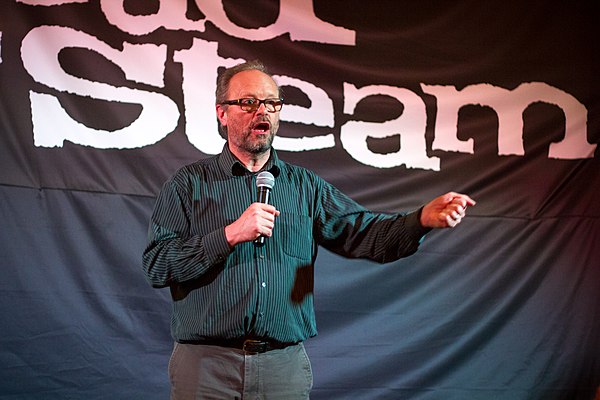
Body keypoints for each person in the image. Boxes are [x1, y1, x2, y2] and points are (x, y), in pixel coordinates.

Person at [142, 60, 476, 399]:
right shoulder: (188, 184)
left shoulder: (305, 187)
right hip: (206, 368)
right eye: (249, 102)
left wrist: (420, 220)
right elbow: (157, 265)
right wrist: (229, 235)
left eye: (272, 103)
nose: (263, 112)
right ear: (222, 113)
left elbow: (367, 236)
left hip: (282, 368)